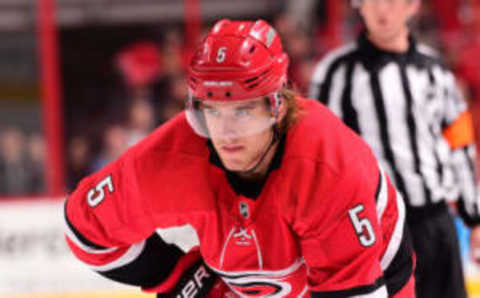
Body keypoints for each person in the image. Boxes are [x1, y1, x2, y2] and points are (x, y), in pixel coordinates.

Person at [64, 19, 415, 297]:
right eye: (212, 111)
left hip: (374, 271)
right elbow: (85, 227)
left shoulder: (326, 163)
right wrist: (176, 276)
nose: (226, 133)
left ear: (277, 106)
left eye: (244, 111)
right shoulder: (178, 153)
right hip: (252, 279)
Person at [309, 1, 480, 297]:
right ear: (358, 6)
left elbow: (460, 143)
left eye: (391, 1)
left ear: (412, 6)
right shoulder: (335, 73)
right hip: (378, 229)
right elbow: (320, 156)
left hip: (435, 222)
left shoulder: (434, 69)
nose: (382, 11)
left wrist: (473, 218)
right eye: (373, 1)